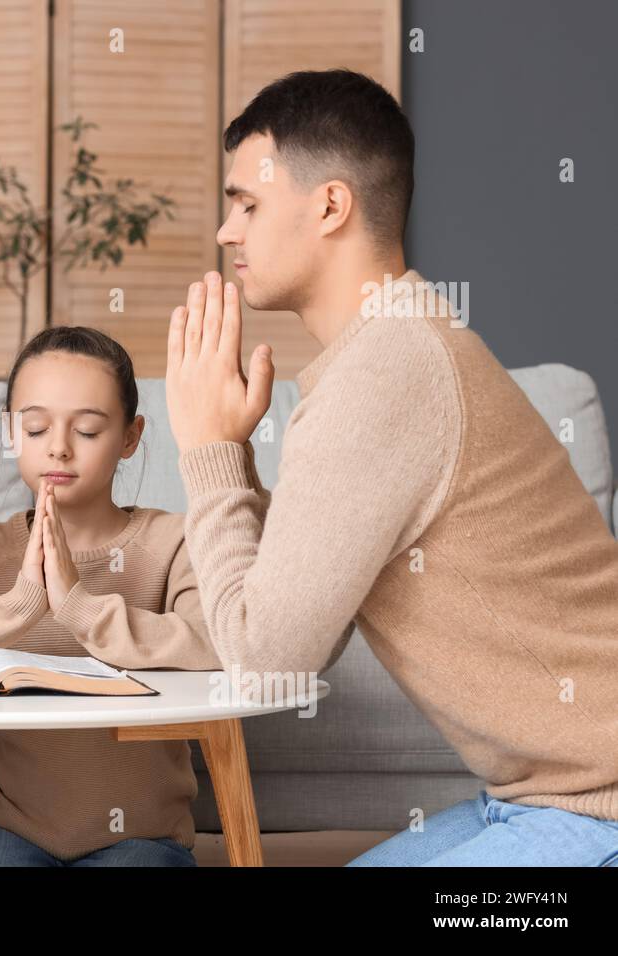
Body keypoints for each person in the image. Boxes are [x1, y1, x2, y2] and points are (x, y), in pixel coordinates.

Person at [165, 69, 618, 866]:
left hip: (599, 808)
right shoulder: (387, 352)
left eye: (247, 204)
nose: (225, 233)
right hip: (545, 797)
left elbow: (267, 664)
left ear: (330, 205)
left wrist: (205, 449)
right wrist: (228, 451)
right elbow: (305, 630)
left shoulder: (388, 372)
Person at [0, 326, 249, 866]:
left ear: (130, 437)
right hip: (9, 830)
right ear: (10, 432)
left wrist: (80, 607)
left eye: (87, 430)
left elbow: (224, 643)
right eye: (35, 427)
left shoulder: (173, 541)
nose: (58, 446)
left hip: (141, 836)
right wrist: (15, 607)